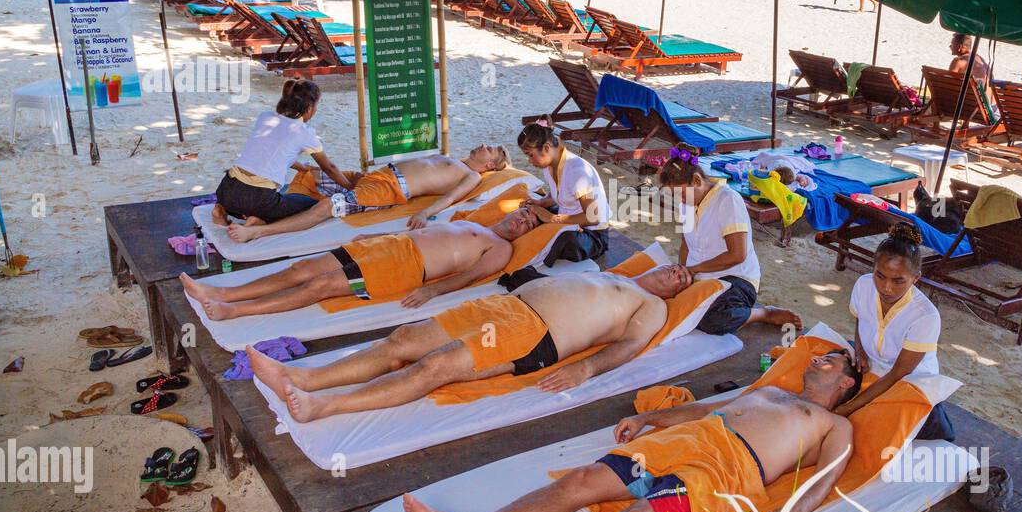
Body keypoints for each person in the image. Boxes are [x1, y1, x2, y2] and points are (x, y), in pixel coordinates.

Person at [402, 349, 860, 512]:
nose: (816, 359)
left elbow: (825, 476)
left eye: (830, 361)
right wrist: (648, 417)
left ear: (846, 383)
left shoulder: (831, 423)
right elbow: (704, 411)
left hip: (723, 471)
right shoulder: (770, 390)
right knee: (581, 481)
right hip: (686, 440)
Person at [247, 265, 695, 422]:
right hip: (501, 308)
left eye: (684, 280)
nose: (677, 274)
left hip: (533, 332)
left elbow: (630, 346)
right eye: (678, 268)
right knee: (402, 340)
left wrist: (587, 368)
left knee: (434, 367)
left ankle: (326, 406)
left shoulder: (650, 304)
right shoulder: (615, 274)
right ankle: (303, 376)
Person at [181, 209, 538, 319]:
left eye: (528, 225)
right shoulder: (474, 222)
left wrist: (431, 290)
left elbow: (470, 276)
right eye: (523, 215)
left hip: (405, 268)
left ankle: (235, 311)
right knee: (300, 270)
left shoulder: (500, 248)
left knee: (319, 287)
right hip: (390, 245)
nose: (521, 223)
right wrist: (375, 238)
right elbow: (426, 233)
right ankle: (223, 290)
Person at [223, 145, 510, 243]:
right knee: (308, 174)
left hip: (387, 189)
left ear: (489, 165)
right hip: (374, 177)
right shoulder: (456, 159)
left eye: (491, 148)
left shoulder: (471, 175)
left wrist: (424, 212)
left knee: (325, 208)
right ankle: (261, 217)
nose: (484, 144)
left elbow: (450, 198)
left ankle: (258, 233)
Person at [657, 143, 800, 335]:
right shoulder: (687, 203)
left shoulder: (727, 199)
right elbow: (686, 244)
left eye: (682, 194)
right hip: (700, 277)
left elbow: (737, 255)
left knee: (712, 319)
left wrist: (694, 269)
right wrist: (682, 273)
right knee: (662, 297)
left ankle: (763, 314)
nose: (680, 200)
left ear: (697, 181)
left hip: (735, 278)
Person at [211, 79, 357, 227]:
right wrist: (351, 188)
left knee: (251, 204)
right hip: (258, 198)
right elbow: (329, 168)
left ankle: (223, 211)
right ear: (310, 107)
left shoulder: (265, 117)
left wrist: (302, 168)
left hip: (226, 191)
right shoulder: (304, 133)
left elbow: (273, 151)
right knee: (313, 206)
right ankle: (259, 220)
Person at [847, 223, 942, 413]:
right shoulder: (863, 285)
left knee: (878, 418)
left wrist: (847, 409)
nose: (886, 288)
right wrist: (859, 349)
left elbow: (897, 374)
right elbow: (861, 318)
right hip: (873, 366)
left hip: (909, 382)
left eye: (898, 281)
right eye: (880, 276)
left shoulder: (926, 316)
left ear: (916, 278)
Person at [517, 119, 611, 265]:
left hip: (591, 233)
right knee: (529, 210)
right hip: (568, 218)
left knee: (565, 241)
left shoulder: (578, 171)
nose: (530, 161)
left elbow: (593, 217)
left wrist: (554, 219)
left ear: (546, 148)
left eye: (530, 155)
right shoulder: (549, 165)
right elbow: (561, 194)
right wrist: (541, 203)